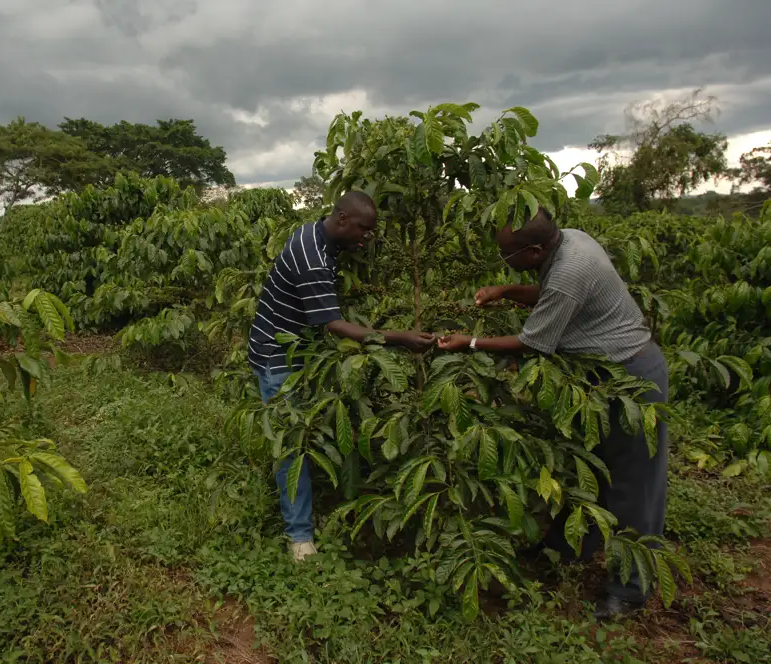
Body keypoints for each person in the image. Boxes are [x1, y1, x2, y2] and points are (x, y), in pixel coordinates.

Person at [435, 208, 669, 620]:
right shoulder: (570, 239)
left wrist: (469, 342)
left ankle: (631, 589)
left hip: (630, 377)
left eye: (509, 256)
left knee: (635, 483)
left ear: (536, 249)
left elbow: (533, 342)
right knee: (587, 468)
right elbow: (553, 294)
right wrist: (506, 290)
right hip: (594, 378)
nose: (505, 261)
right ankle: (568, 549)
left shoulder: (569, 270)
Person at [249, 191, 435, 562]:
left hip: (297, 350)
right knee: (293, 446)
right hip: (278, 359)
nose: (368, 238)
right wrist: (400, 339)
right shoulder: (314, 260)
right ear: (342, 220)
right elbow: (333, 324)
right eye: (364, 230)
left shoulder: (312, 232)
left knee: (309, 429)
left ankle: (319, 499)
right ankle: (299, 536)